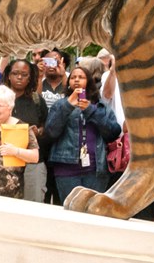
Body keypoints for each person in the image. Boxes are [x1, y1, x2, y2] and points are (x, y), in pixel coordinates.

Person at [44, 65, 120, 201]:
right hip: (66, 168)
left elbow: (113, 132)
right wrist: (68, 105)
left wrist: (90, 110)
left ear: (89, 81)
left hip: (96, 169)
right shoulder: (60, 104)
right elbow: (50, 132)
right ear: (68, 82)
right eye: (73, 77)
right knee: (70, 208)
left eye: (81, 77)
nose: (77, 80)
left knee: (92, 209)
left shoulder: (100, 106)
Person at [2, 59, 48, 201]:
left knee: (33, 205)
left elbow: (46, 126)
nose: (19, 77)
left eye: (24, 74)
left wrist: (38, 131)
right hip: (4, 162)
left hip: (32, 163)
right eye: (15, 73)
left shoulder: (36, 100)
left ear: (30, 77)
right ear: (8, 75)